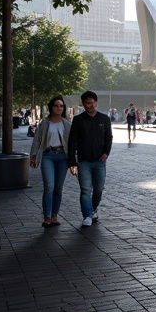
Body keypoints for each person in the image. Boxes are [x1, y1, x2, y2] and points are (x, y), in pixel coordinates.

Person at [68, 91, 113, 227]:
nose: (91, 105)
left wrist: (106, 153)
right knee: (85, 189)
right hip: (83, 161)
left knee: (98, 189)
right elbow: (72, 141)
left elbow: (108, 137)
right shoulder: (78, 120)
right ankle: (87, 215)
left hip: (100, 160)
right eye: (88, 103)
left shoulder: (104, 119)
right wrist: (72, 162)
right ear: (83, 104)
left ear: (96, 102)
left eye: (93, 102)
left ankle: (93, 208)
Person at [30, 96, 71, 227]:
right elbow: (37, 140)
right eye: (56, 105)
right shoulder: (44, 123)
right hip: (48, 156)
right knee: (49, 187)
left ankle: (54, 215)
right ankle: (46, 216)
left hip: (62, 157)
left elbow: (72, 143)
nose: (59, 108)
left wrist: (74, 160)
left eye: (61, 106)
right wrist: (33, 156)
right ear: (51, 107)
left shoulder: (67, 124)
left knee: (58, 189)